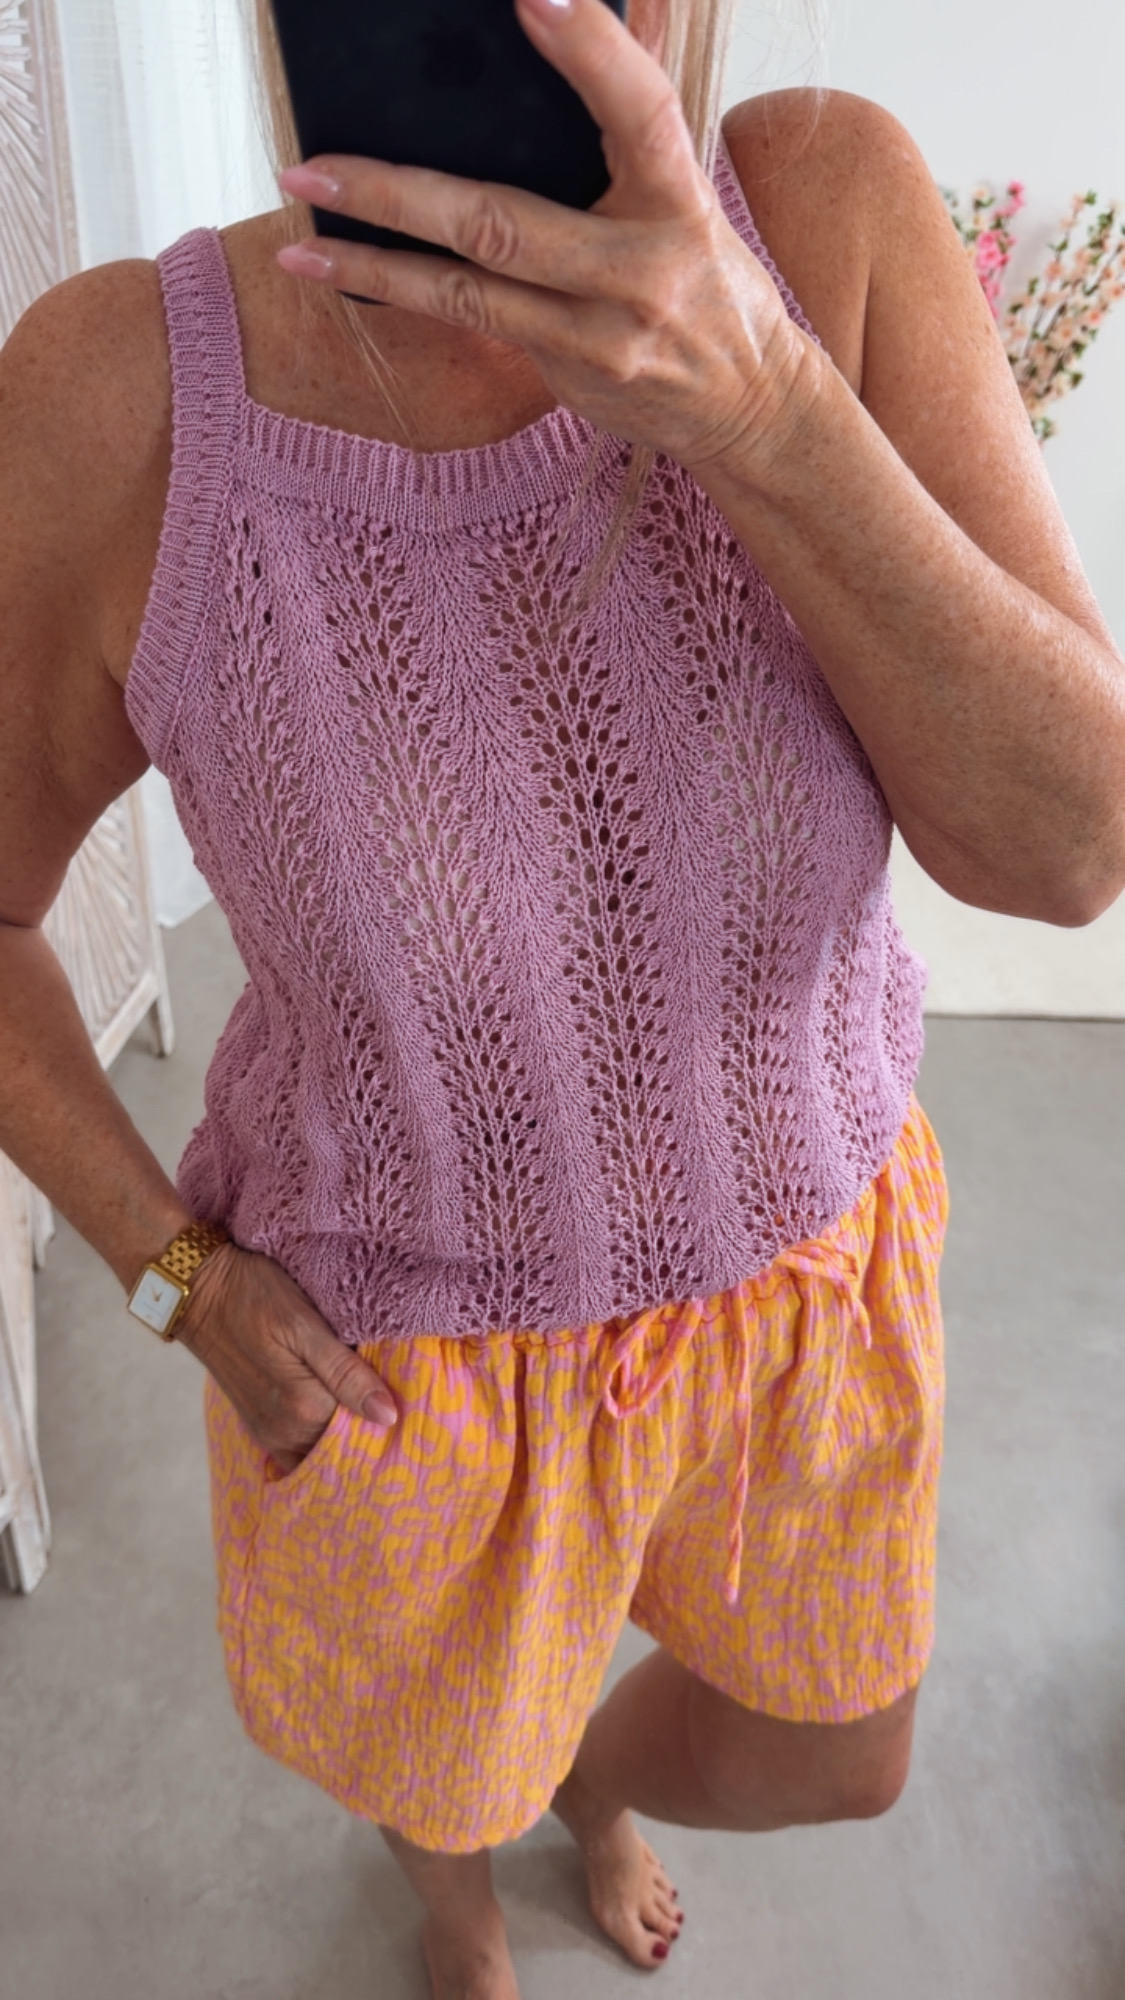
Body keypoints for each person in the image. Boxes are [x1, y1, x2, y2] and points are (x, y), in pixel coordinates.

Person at [2, 0, 1124, 1994]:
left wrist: (768, 413)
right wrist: (174, 1280)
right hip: (401, 1363)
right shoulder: (122, 397)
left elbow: (1064, 853)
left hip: (808, 1301)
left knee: (835, 1755)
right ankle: (456, 1911)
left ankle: (580, 1788)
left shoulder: (828, 214)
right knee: (436, 1777)